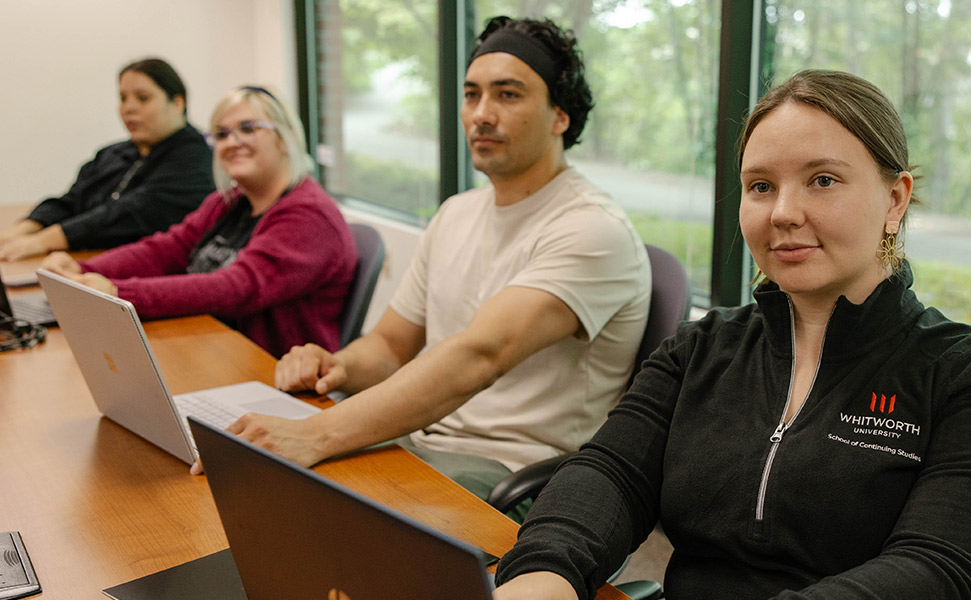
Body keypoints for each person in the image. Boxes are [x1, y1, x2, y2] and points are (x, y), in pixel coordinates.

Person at [492, 70, 971, 600]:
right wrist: (545, 569)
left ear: (895, 199)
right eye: (761, 186)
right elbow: (611, 474)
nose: (783, 212)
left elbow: (939, 573)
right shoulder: (700, 351)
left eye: (822, 181)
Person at [221, 16, 652, 507]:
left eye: (507, 95)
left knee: (293, 504)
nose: (481, 115)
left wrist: (317, 435)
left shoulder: (592, 229)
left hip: (518, 479)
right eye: (472, 95)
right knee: (246, 485)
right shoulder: (457, 213)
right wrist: (335, 364)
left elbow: (479, 357)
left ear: (560, 116)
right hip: (421, 442)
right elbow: (388, 345)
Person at [41, 85, 356, 358]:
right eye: (221, 134)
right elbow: (167, 249)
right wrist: (85, 270)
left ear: (285, 136)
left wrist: (119, 293)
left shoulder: (309, 216)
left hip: (268, 374)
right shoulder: (228, 202)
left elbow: (236, 287)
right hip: (208, 346)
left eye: (248, 128)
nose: (231, 142)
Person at [0, 58, 214, 261]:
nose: (129, 108)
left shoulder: (196, 161)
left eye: (143, 98)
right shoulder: (113, 153)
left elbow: (129, 214)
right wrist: (22, 230)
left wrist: (42, 242)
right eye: (123, 99)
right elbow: (71, 201)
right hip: (80, 265)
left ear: (177, 103)